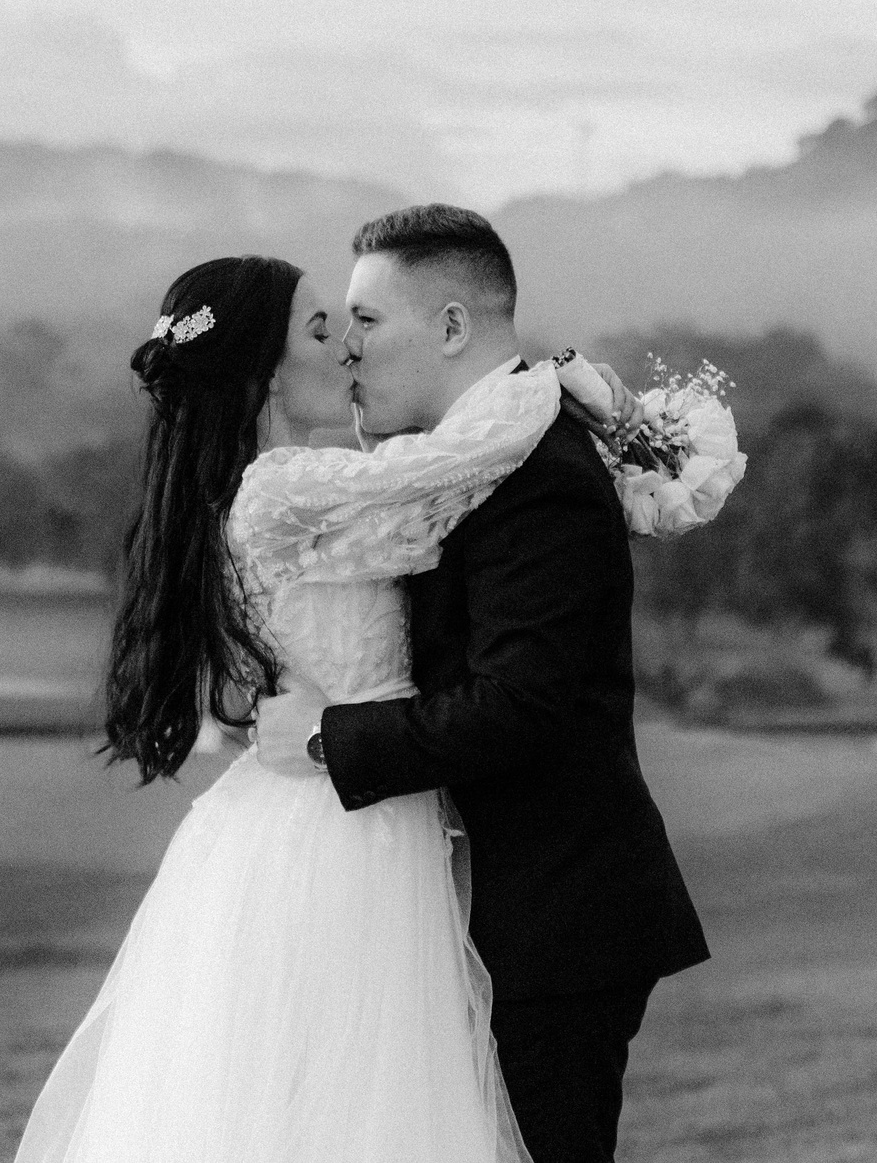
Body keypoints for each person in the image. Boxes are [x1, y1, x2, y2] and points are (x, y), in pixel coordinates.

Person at [14, 250, 604, 1161]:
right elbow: (458, 467)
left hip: (325, 803)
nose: (348, 351)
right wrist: (555, 387)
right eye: (323, 329)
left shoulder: (283, 483)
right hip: (342, 829)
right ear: (264, 370)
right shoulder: (284, 488)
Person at [256, 204, 709, 1163]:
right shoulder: (472, 464)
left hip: (551, 920)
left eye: (369, 323)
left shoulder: (536, 473)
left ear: (454, 326)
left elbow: (518, 705)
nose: (351, 354)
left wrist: (325, 735)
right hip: (493, 912)